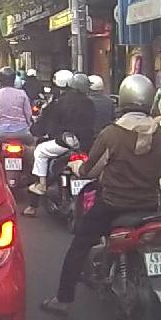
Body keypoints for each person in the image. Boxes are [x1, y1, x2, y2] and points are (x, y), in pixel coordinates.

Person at [41, 75, 161, 313]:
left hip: (113, 205)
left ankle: (63, 299)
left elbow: (90, 171)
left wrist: (76, 167)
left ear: (124, 98)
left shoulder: (112, 134)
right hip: (150, 206)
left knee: (79, 245)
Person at [24, 71, 95, 217]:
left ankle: (41, 186)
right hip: (85, 145)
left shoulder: (59, 102)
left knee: (40, 151)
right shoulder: (90, 103)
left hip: (63, 143)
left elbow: (48, 125)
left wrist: (40, 131)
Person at [0, 66, 35, 137]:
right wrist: (29, 127)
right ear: (14, 79)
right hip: (22, 132)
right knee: (33, 142)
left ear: (0, 80)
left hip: (1, 132)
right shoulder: (22, 93)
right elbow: (28, 115)